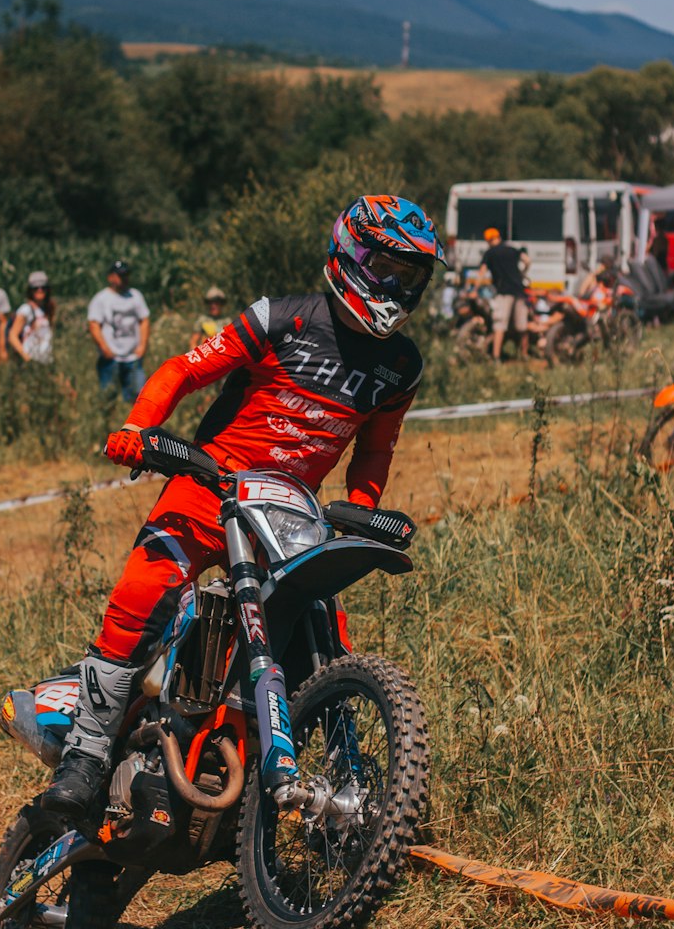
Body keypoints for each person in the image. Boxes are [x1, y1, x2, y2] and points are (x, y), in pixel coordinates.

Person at [43, 193, 444, 821]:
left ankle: (315, 785)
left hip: (290, 512)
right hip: (210, 487)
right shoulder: (281, 317)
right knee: (145, 588)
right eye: (387, 268)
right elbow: (182, 369)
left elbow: (376, 449)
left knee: (324, 639)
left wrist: (361, 506)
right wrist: (137, 428)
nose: (396, 285)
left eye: (411, 276)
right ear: (352, 255)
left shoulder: (401, 365)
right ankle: (86, 754)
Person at [87, 260, 151, 402]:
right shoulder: (101, 299)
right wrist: (104, 348)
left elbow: (144, 320)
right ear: (110, 277)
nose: (124, 278)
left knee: (138, 398)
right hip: (111, 358)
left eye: (126, 275)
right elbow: (94, 325)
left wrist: (142, 346)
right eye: (120, 275)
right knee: (109, 396)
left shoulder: (135, 296)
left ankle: (132, 424)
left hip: (133, 357)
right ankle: (110, 423)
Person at [478, 226, 529, 361]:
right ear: (499, 237)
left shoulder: (490, 253)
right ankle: (524, 355)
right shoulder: (512, 249)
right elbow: (527, 260)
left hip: (503, 292)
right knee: (522, 325)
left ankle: (496, 357)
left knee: (500, 325)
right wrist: (523, 273)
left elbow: (482, 272)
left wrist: (474, 289)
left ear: (488, 241)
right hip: (519, 291)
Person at [9, 271, 55, 365]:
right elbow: (12, 336)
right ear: (30, 290)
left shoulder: (47, 309)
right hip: (31, 360)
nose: (40, 290)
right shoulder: (25, 310)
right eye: (35, 288)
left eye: (43, 287)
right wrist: (26, 358)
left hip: (46, 360)